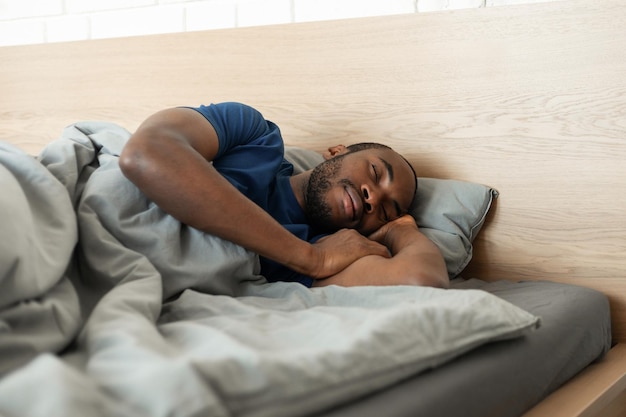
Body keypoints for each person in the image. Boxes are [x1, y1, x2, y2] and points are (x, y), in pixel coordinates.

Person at [119, 102, 448, 289]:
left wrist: (402, 230)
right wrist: (309, 258)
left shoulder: (330, 252)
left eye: (386, 210)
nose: (372, 197)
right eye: (375, 172)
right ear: (336, 152)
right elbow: (145, 153)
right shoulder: (254, 137)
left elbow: (421, 279)